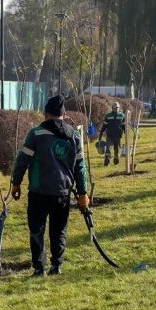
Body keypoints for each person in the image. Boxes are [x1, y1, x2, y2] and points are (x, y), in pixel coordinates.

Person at [10, 96, 89, 277]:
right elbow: (80, 168)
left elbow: (22, 161)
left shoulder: (36, 134)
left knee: (37, 230)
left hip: (39, 192)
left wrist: (16, 183)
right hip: (63, 193)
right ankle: (56, 266)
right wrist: (83, 193)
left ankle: (39, 268)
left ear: (45, 114)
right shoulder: (75, 136)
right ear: (64, 115)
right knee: (59, 230)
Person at [99, 101, 125, 166]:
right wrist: (101, 134)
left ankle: (116, 162)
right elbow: (104, 125)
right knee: (108, 149)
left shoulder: (122, 115)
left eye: (118, 108)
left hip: (118, 136)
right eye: (115, 108)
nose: (116, 109)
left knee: (117, 150)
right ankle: (107, 163)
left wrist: (125, 132)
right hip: (110, 136)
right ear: (112, 108)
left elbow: (124, 126)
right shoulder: (108, 116)